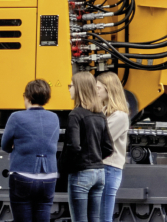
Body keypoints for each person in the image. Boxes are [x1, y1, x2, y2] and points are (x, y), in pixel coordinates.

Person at [1, 79, 60, 222]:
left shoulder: (16, 117)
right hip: (48, 177)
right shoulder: (54, 118)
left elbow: (5, 145)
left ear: (26, 96)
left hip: (22, 174)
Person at [65, 72, 114, 222]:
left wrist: (65, 166)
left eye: (71, 86)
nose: (69, 89)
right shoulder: (100, 114)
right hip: (99, 172)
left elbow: (73, 146)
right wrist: (95, 157)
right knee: (95, 218)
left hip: (81, 173)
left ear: (79, 88)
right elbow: (108, 147)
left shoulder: (75, 115)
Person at [97, 72, 129, 222]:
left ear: (108, 89)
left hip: (109, 168)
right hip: (103, 168)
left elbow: (100, 139)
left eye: (98, 88)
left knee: (104, 216)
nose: (95, 91)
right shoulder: (105, 112)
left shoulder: (119, 116)